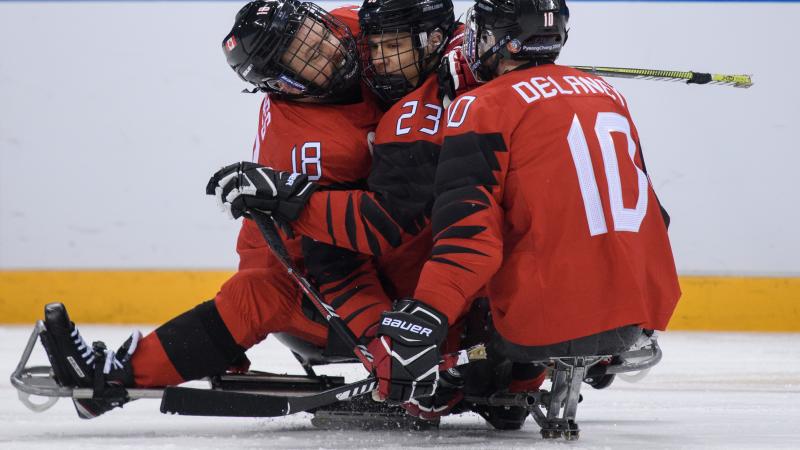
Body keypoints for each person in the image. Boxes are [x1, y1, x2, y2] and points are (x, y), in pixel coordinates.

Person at [38, 0, 391, 419]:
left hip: (424, 234)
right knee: (256, 293)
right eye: (310, 55)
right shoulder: (301, 148)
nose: (332, 48)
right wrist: (220, 341)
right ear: (287, 83)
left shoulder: (355, 26)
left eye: (321, 35)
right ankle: (116, 376)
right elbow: (299, 247)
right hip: (383, 267)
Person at [370, 0, 682, 419]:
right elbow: (654, 216)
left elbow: (469, 242)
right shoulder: (609, 94)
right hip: (633, 323)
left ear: (493, 40)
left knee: (480, 265)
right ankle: (522, 382)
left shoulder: (477, 105)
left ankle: (466, 383)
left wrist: (426, 317)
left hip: (538, 327)